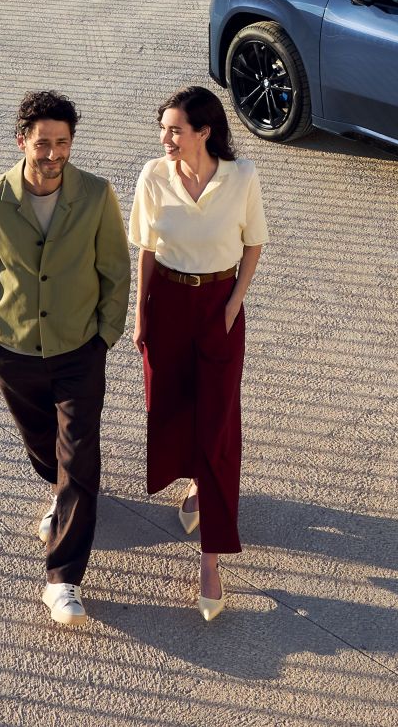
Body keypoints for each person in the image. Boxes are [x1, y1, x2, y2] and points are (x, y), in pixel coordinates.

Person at [0, 89, 130, 629]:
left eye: (62, 143)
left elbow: (115, 270)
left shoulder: (97, 194)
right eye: (43, 143)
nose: (53, 153)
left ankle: (62, 579)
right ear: (22, 141)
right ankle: (59, 497)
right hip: (12, 351)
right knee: (43, 447)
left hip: (80, 348)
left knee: (80, 455)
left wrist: (105, 335)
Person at [130, 85, 268, 621]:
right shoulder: (153, 177)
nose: (166, 138)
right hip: (165, 304)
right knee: (169, 406)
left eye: (176, 129)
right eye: (163, 128)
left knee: (217, 426)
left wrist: (233, 306)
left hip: (217, 306)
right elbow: (145, 247)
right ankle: (191, 483)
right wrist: (140, 312)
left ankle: (211, 560)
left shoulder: (242, 178)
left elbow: (253, 243)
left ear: (204, 131)